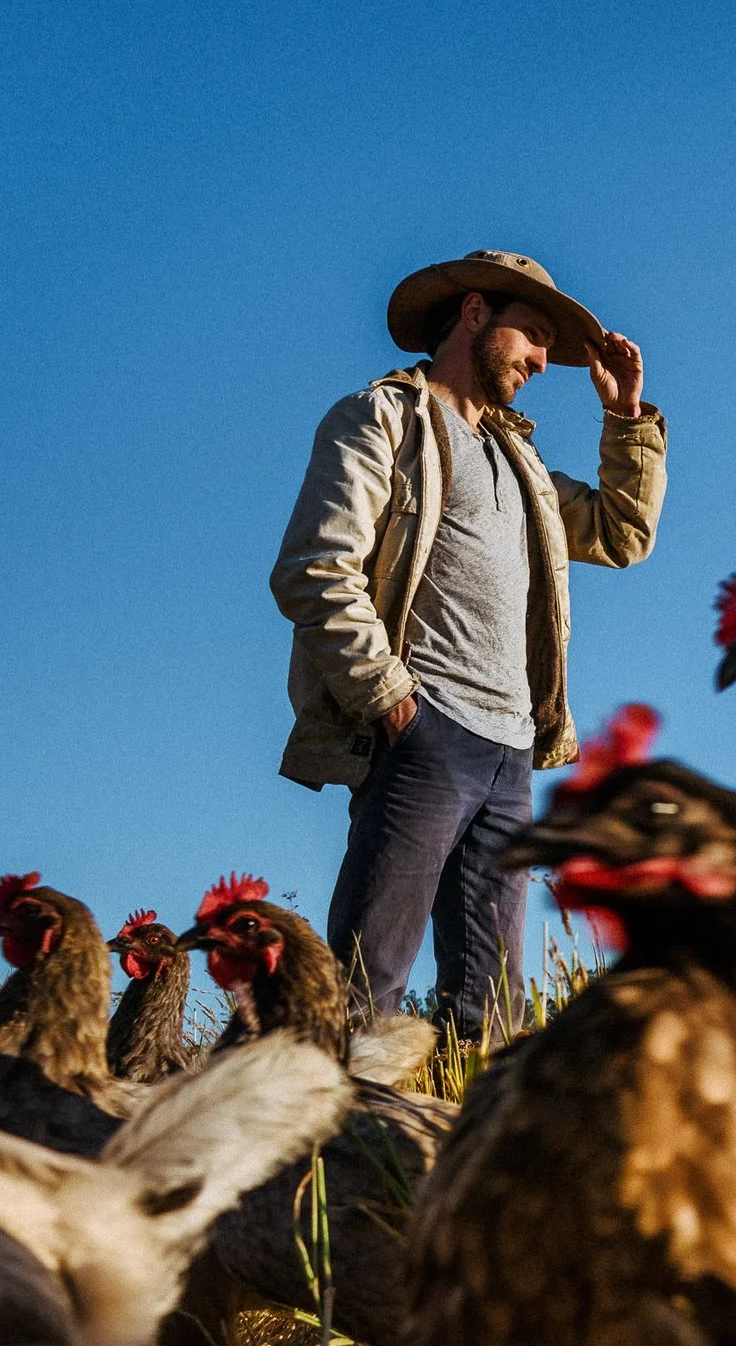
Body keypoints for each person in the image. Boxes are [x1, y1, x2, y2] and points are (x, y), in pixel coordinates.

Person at [271, 250, 666, 1039]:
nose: (544, 361)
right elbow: (316, 569)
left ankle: (442, 1157)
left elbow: (623, 534)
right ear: (476, 313)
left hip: (512, 753)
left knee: (491, 1010)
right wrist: (391, 703)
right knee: (366, 978)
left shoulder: (522, 467)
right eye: (533, 335)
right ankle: (323, 1152)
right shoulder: (382, 419)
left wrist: (625, 420)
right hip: (422, 735)